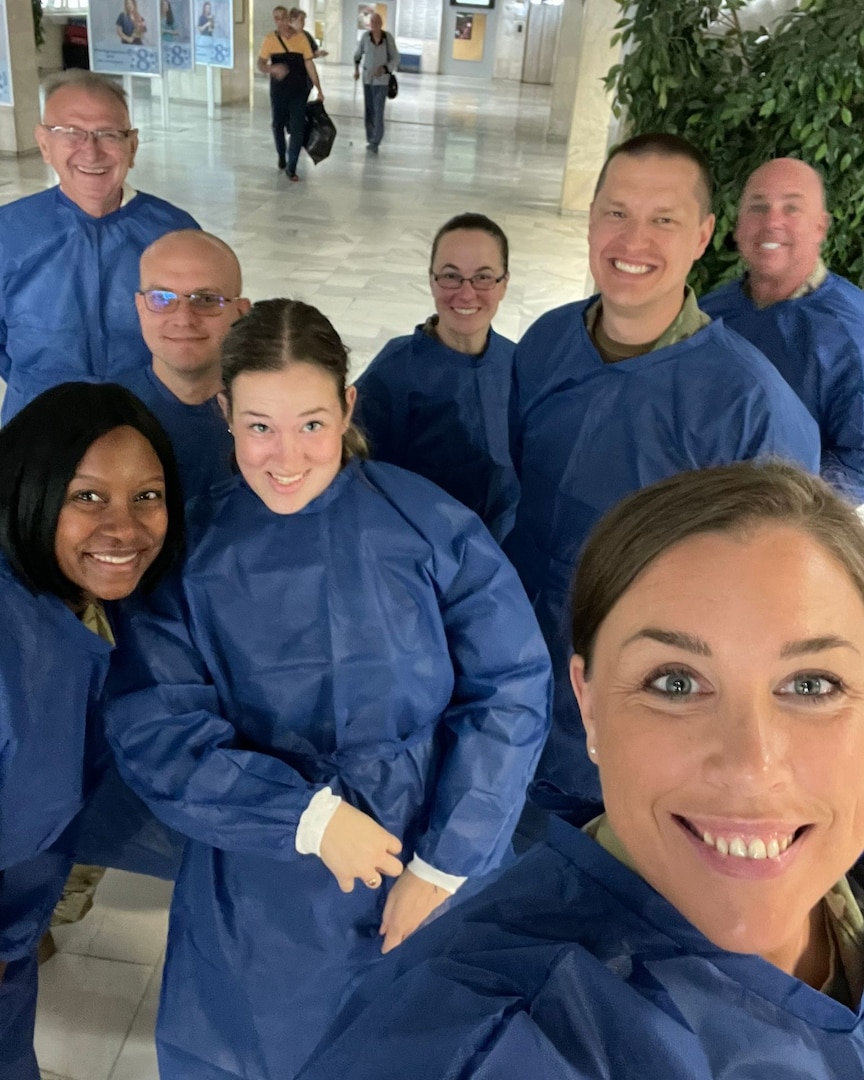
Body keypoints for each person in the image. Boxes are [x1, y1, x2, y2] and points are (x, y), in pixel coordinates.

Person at [299, 459, 864, 1079]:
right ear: (588, 705)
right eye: (675, 683)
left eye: (813, 684)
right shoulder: (478, 1043)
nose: (752, 766)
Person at [105, 297, 552, 1079]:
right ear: (225, 414)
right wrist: (305, 819)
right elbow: (156, 725)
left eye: (310, 423)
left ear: (347, 408)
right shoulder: (188, 555)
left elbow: (510, 688)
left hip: (429, 857)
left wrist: (444, 865)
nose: (286, 456)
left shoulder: (431, 529)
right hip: (261, 890)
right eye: (259, 426)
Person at [504, 132, 821, 810]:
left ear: (704, 234)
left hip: (640, 736)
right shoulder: (546, 344)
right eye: (617, 213)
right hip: (512, 695)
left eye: (664, 220)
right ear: (590, 219)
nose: (633, 240)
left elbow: (774, 616)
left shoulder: (750, 410)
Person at [0, 382, 183, 1080]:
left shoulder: (72, 614)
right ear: (30, 486)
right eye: (88, 497)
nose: (125, 528)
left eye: (147, 496)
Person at [0, 70, 198, 424]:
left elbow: (206, 338)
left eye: (108, 134)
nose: (90, 152)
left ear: (132, 147)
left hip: (153, 428)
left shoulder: (175, 233)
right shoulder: (9, 233)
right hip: (39, 430)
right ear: (45, 144)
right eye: (71, 133)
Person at [701, 158, 864, 503]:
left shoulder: (851, 333)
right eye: (758, 207)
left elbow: (858, 463)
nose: (772, 221)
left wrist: (778, 504)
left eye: (792, 208)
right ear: (739, 225)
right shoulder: (710, 312)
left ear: (821, 227)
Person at [354, 213, 518, 542]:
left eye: (483, 277)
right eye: (451, 276)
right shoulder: (393, 373)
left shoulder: (520, 364)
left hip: (506, 559)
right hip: (421, 556)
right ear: (431, 281)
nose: (467, 293)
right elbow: (356, 475)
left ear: (503, 283)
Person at [118, 229, 250, 500]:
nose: (183, 319)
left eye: (207, 300)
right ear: (140, 307)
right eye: (162, 299)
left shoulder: (272, 419)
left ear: (241, 312)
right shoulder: (103, 415)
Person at [257, 6, 325, 181]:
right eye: (277, 18)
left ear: (288, 18)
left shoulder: (301, 39)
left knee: (297, 128)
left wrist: (318, 88)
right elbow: (261, 63)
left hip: (299, 91)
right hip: (279, 91)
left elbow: (309, 64)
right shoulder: (270, 39)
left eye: (283, 17)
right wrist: (272, 68)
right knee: (278, 124)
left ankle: (291, 167)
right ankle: (281, 154)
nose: (280, 21)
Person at [353, 12, 399, 154]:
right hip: (368, 79)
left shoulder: (387, 38)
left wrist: (385, 69)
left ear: (381, 23)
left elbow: (395, 58)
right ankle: (370, 137)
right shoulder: (366, 37)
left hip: (382, 81)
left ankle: (375, 141)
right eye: (373, 22)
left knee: (378, 110)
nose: (375, 25)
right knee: (369, 110)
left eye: (378, 22)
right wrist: (356, 70)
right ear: (370, 24)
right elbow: (358, 55)